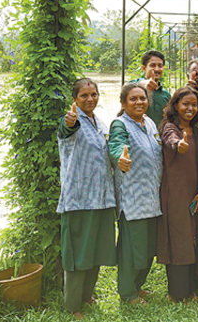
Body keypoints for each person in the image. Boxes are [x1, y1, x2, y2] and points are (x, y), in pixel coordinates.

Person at [57, 78, 116, 319]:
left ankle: (86, 295)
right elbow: (65, 128)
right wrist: (69, 121)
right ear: (75, 99)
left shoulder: (99, 122)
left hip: (102, 198)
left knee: (97, 250)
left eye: (94, 94)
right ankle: (73, 305)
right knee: (78, 253)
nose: (90, 99)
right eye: (84, 95)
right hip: (79, 199)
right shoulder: (72, 120)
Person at [108, 82, 163, 305]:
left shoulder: (149, 123)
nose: (139, 102)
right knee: (132, 249)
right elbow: (116, 145)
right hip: (133, 198)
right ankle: (127, 292)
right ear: (123, 103)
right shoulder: (120, 124)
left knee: (148, 247)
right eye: (133, 99)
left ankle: (138, 286)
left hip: (152, 196)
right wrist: (119, 158)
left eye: (143, 98)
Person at [157, 86, 198, 302]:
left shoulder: (197, 130)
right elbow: (170, 139)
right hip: (175, 193)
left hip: (195, 192)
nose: (190, 108)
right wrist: (179, 144)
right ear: (175, 105)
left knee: (194, 237)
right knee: (179, 239)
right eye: (185, 104)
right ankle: (177, 292)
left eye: (194, 104)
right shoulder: (170, 127)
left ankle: (191, 287)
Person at [130, 50, 171, 125]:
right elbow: (125, 89)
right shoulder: (134, 86)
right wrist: (143, 84)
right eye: (152, 65)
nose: (157, 69)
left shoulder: (166, 95)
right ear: (144, 68)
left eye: (160, 66)